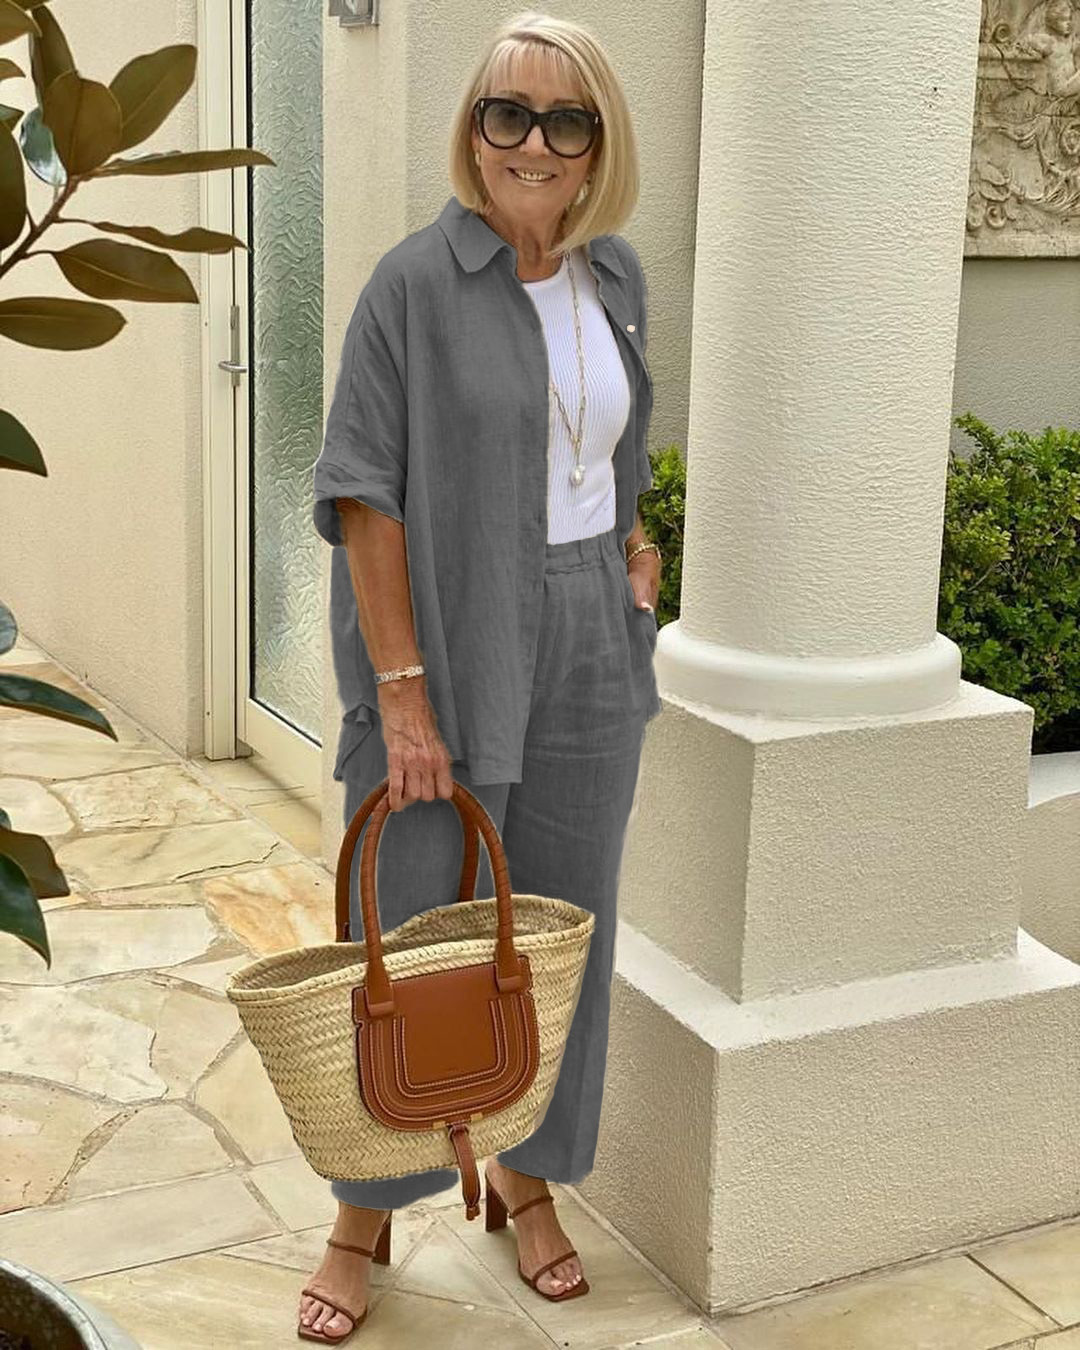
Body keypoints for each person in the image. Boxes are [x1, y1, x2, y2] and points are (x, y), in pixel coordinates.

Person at [301, 10, 662, 1342]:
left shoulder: (617, 276)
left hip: (590, 637)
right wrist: (400, 691)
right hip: (448, 637)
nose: (533, 142)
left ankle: (527, 1174)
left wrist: (634, 558)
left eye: (566, 119)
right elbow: (363, 495)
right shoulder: (413, 285)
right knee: (407, 927)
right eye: (508, 112)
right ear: (474, 129)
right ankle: (364, 1213)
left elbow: (609, 449)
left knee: (559, 923)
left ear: (597, 145)